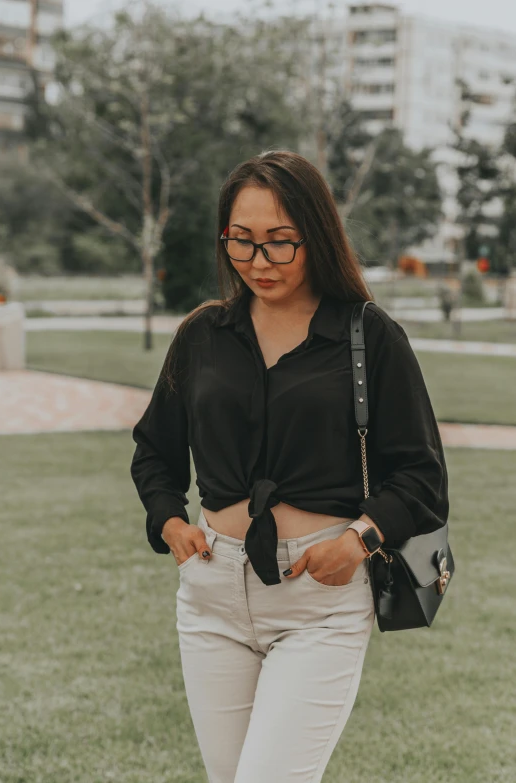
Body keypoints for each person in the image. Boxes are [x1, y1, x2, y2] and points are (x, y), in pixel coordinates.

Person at [130, 149, 449, 783]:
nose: (259, 262)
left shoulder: (369, 335)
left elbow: (421, 476)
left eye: (280, 242)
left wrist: (358, 541)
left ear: (317, 236)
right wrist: (169, 520)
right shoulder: (203, 335)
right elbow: (154, 451)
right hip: (211, 594)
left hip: (320, 601)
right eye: (241, 242)